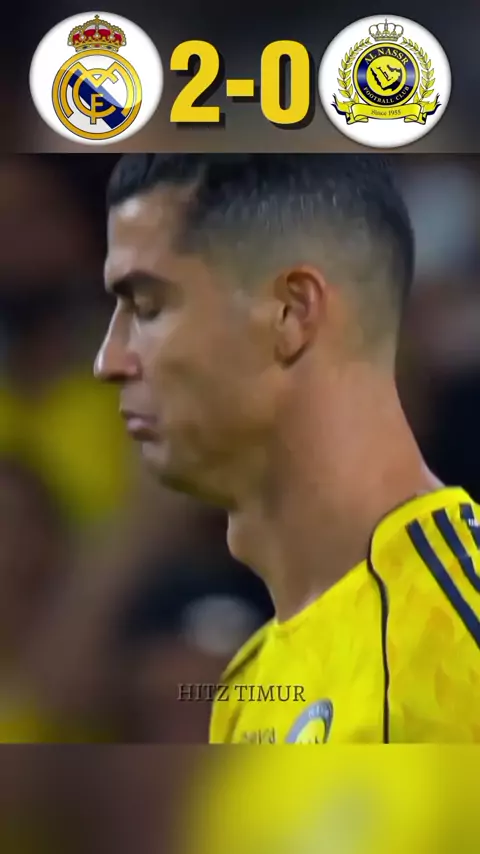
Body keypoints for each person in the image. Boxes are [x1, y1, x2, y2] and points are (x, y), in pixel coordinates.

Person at [95, 154, 480, 743]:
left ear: (291, 313)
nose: (109, 361)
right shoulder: (251, 684)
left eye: (148, 308)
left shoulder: (456, 636)